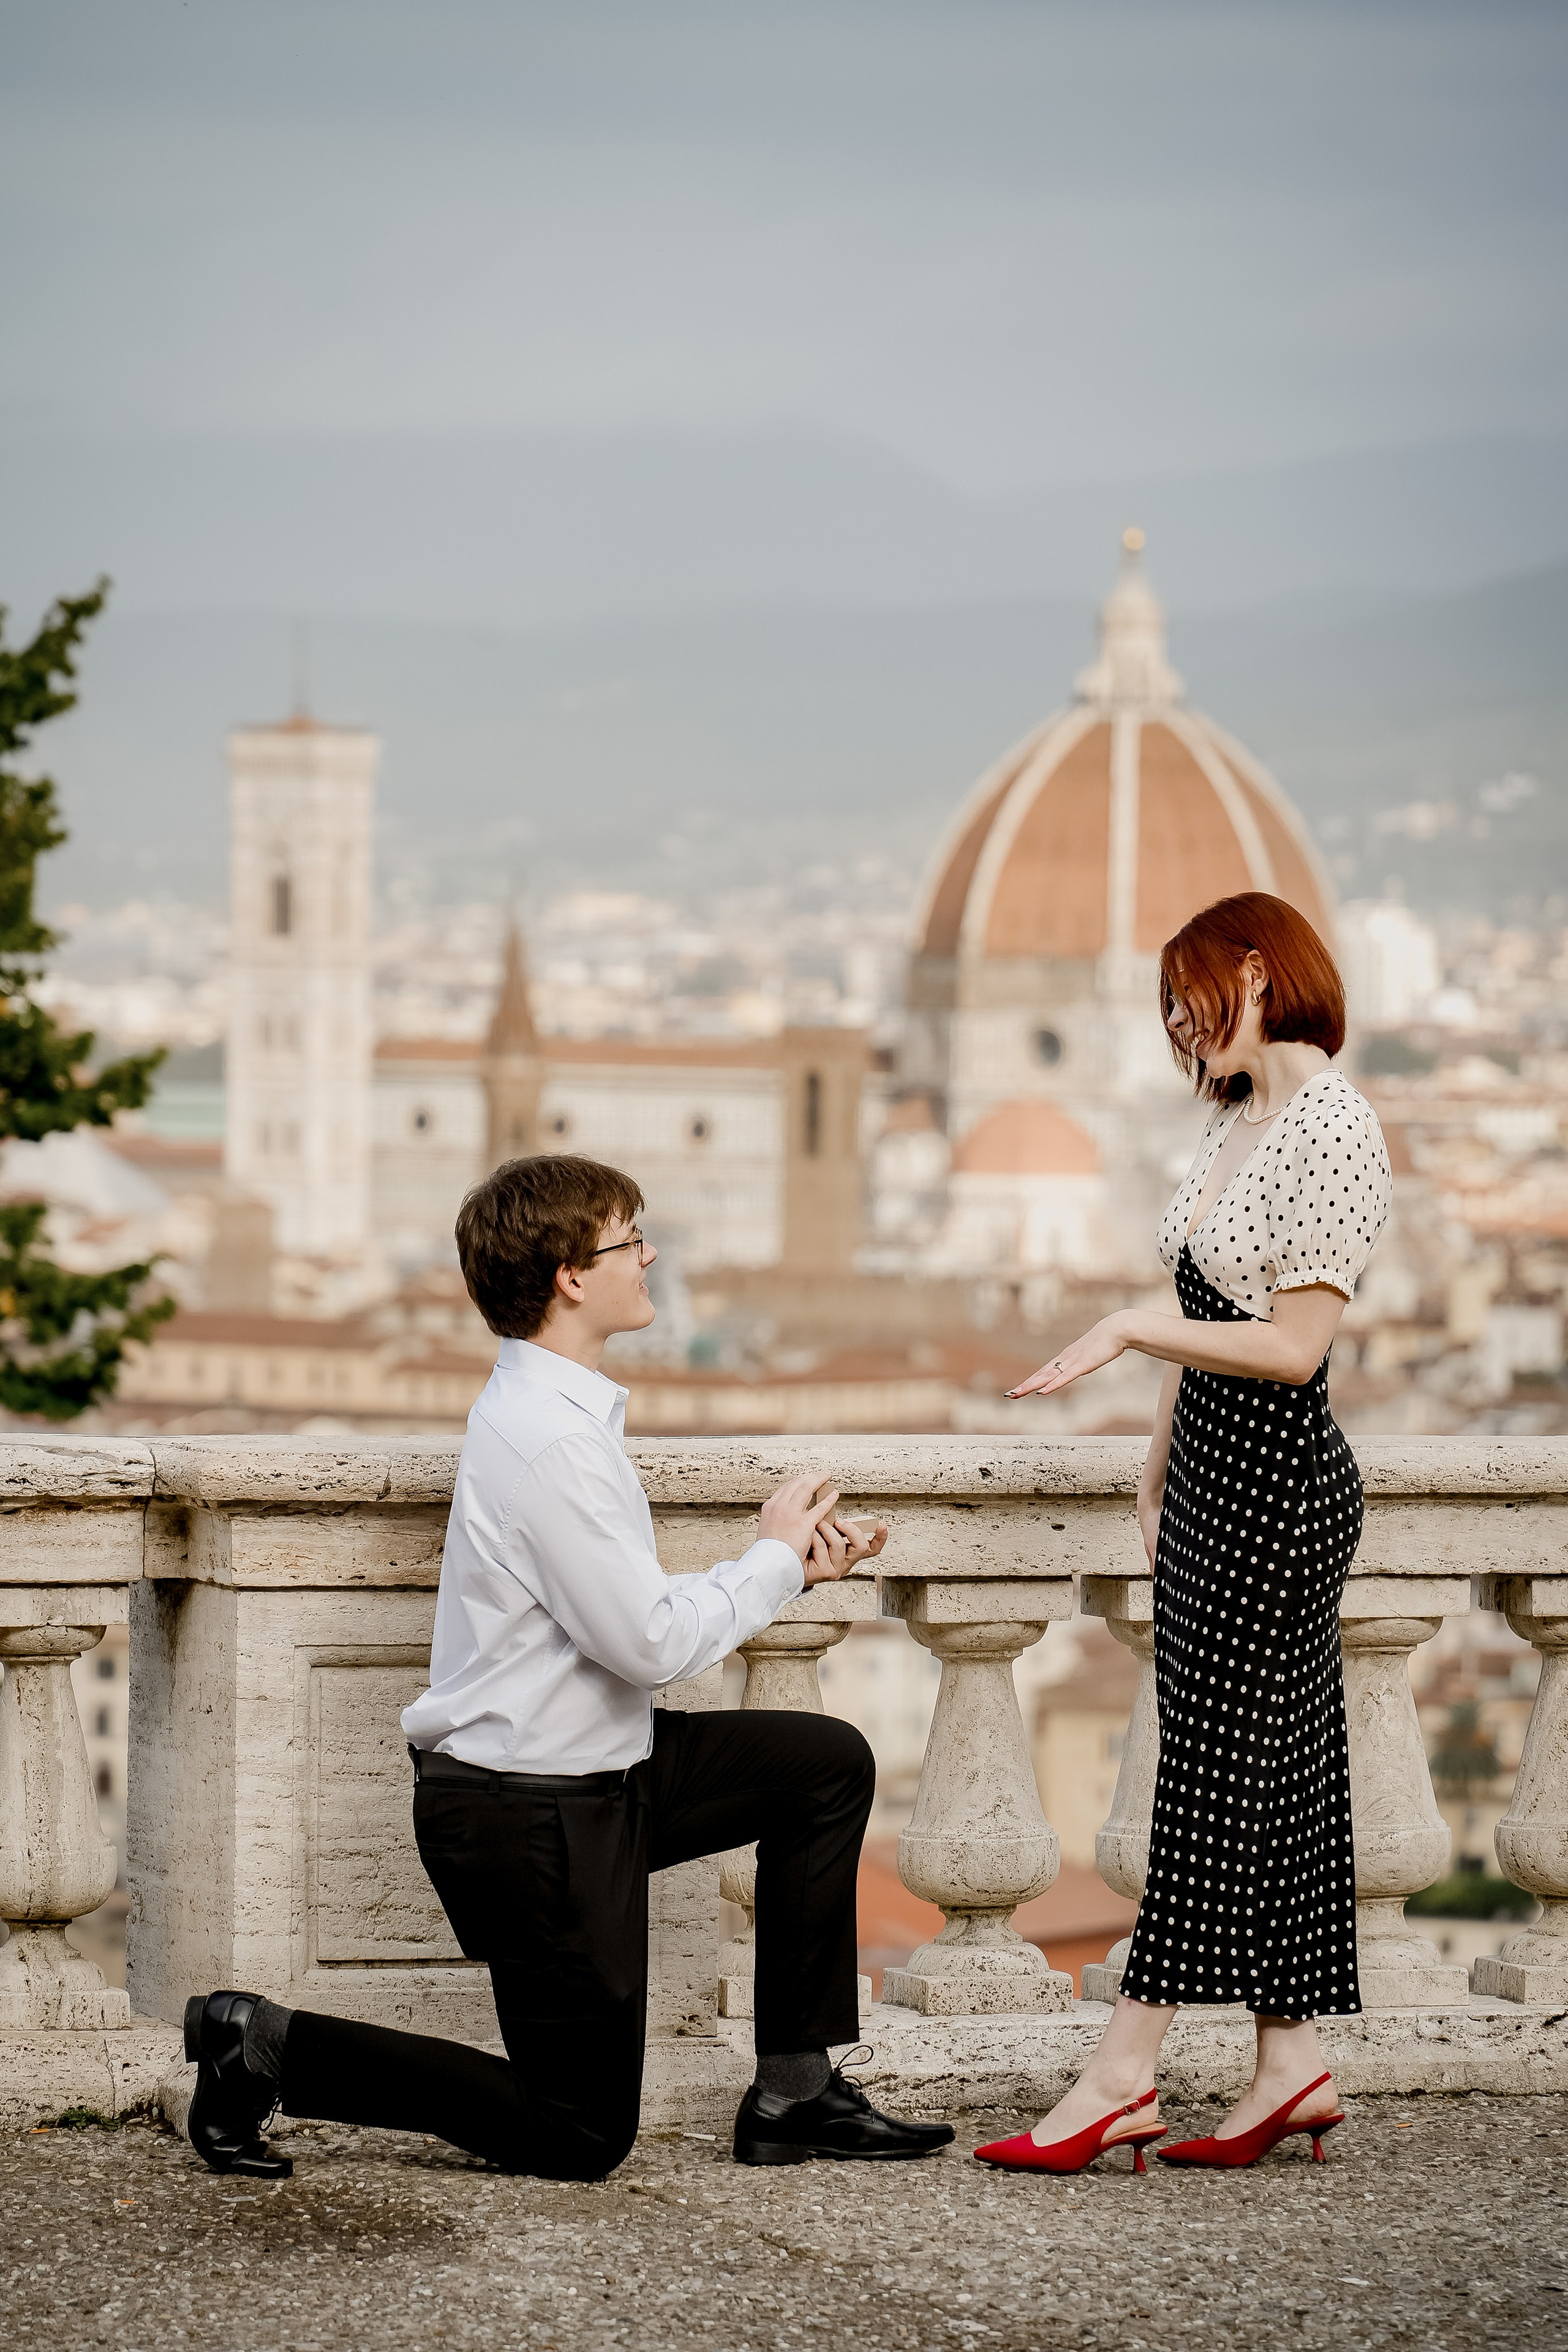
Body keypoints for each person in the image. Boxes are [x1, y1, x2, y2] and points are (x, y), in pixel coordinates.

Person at [184, 1152, 953, 2182]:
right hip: (529, 1812)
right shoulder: (551, 1442)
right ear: (571, 1278)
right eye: (631, 1239)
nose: (650, 1255)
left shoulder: (559, 1416)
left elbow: (625, 1618)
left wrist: (784, 1571)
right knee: (578, 2135)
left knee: (822, 1765)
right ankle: (262, 2045)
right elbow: (646, 1643)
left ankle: (797, 2093)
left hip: (599, 1771)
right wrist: (772, 1551)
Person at [975, 891, 1392, 2178]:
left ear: (1258, 974)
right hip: (1210, 1473)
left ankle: (1118, 2075)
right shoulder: (1233, 1120)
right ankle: (1289, 2064)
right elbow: (1208, 1300)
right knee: (1283, 1780)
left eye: (1185, 997)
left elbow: (1291, 1346)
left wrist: (1123, 1330)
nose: (1170, 1025)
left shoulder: (1334, 1127)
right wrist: (1157, 1458)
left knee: (1209, 1780)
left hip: (1278, 1484)